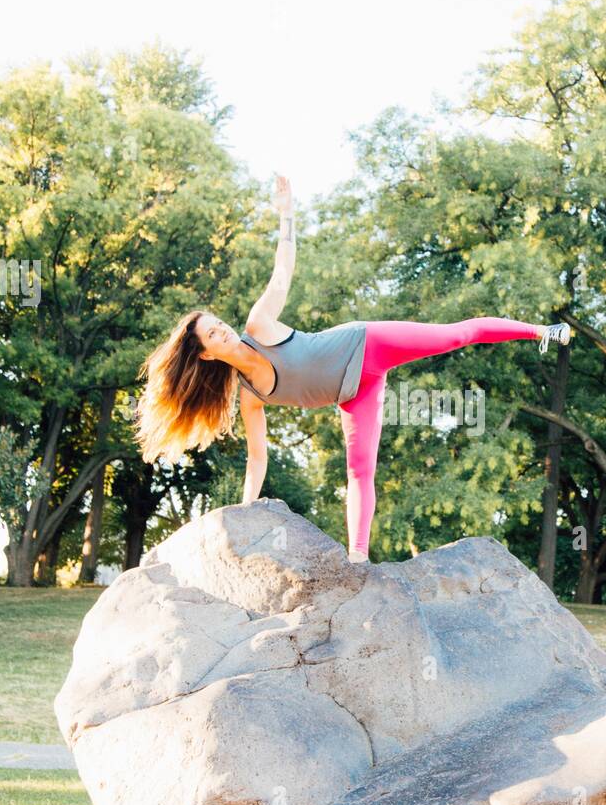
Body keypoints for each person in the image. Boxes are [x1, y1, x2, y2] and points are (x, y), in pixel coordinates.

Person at [134, 175, 571, 562]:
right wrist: (248, 510)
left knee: (455, 335)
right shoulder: (250, 395)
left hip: (367, 344)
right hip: (353, 392)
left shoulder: (258, 325)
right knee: (359, 470)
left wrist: (286, 216)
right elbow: (257, 457)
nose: (223, 331)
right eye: (213, 335)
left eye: (218, 324)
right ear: (206, 355)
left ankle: (539, 331)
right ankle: (358, 559)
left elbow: (283, 268)